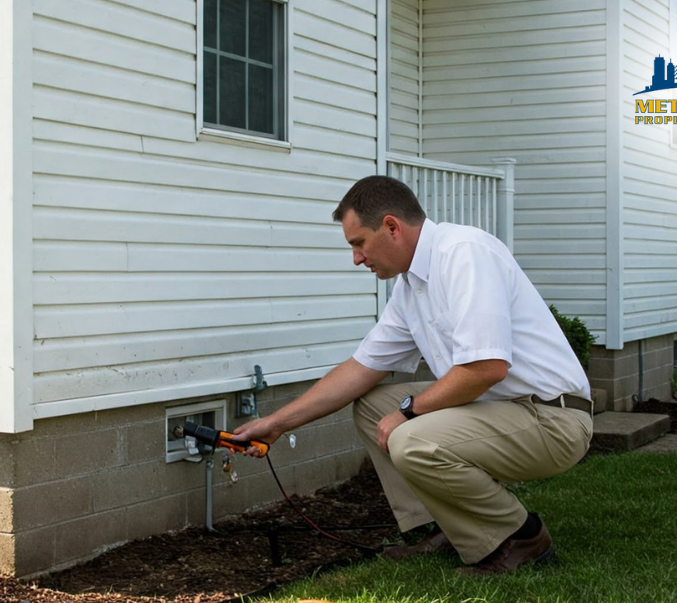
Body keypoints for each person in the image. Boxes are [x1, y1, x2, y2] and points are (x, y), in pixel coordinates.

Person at [233, 175, 593, 575]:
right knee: (373, 407)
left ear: (391, 227)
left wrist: (409, 410)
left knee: (409, 436)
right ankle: (451, 528)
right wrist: (277, 423)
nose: (356, 258)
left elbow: (486, 368)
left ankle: (521, 536)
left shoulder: (463, 254)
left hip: (552, 419)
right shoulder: (410, 287)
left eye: (359, 243)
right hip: (501, 409)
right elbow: (360, 369)